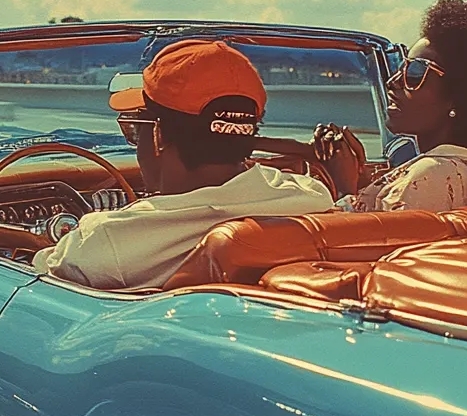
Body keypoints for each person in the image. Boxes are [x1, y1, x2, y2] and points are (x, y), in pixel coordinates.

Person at [32, 39, 334, 289]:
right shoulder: (309, 197)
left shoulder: (105, 245)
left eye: (136, 129)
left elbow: (34, 274)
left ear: (159, 135)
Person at [319, 0, 467, 212]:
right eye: (402, 67)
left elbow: (355, 242)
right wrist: (364, 179)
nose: (393, 81)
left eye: (415, 73)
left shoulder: (426, 177)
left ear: (460, 95)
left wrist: (342, 184)